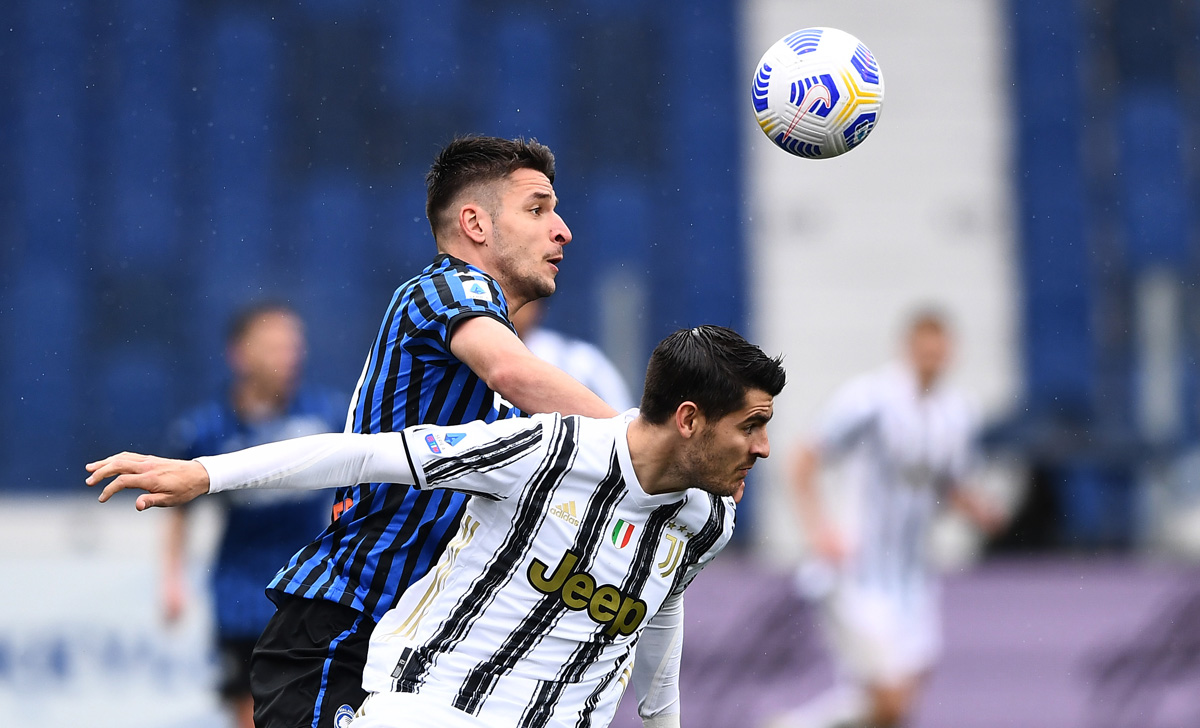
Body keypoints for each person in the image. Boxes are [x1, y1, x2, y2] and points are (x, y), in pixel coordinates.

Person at [87, 325, 787, 728]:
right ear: (689, 419)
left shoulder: (707, 519)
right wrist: (206, 474)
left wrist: (663, 720)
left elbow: (658, 612)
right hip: (435, 711)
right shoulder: (545, 449)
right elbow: (364, 454)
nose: (762, 448)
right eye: (751, 425)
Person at [236, 136, 615, 728]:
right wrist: (645, 444)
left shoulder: (499, 376)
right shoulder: (449, 287)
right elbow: (513, 372)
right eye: (537, 209)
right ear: (475, 224)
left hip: (421, 649)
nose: (562, 230)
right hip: (347, 629)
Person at [767, 311, 1004, 728]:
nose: (932, 360)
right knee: (890, 701)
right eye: (925, 350)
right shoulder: (870, 402)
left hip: (913, 578)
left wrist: (979, 509)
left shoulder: (957, 413)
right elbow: (802, 459)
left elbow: (945, 483)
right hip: (858, 571)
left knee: (895, 708)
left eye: (939, 351)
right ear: (907, 349)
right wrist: (819, 530)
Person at [162, 302, 345, 728]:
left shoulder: (329, 415)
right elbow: (177, 511)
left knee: (314, 709)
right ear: (240, 355)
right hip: (239, 593)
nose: (288, 356)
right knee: (249, 712)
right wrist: (171, 580)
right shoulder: (206, 430)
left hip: (311, 590)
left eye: (293, 346)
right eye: (273, 346)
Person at [511, 299, 636, 411]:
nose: (507, 310)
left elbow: (622, 419)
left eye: (521, 303)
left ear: (538, 308)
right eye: (503, 302)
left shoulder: (579, 361)